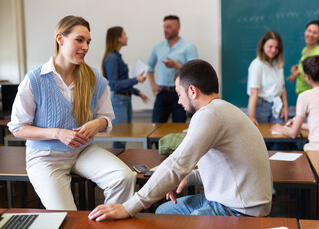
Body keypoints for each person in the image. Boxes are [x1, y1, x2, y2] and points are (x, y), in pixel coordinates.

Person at [88, 59, 273, 221]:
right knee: (164, 211)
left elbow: (176, 164)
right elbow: (226, 169)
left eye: (179, 94)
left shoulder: (209, 115)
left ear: (192, 91)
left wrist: (128, 207)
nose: (178, 101)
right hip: (231, 199)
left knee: (178, 222)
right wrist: (189, 177)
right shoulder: (221, 109)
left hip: (241, 210)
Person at [7, 15, 136, 210]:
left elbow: (107, 118)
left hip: (83, 152)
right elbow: (17, 128)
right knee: (66, 215)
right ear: (60, 39)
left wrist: (97, 124)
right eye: (79, 40)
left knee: (124, 177)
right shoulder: (35, 78)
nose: (86, 46)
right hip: (45, 157)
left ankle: (111, 219)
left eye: (88, 42)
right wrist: (57, 133)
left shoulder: (94, 79)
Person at [271, 55, 319, 151]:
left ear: (306, 77)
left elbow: (293, 134)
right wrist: (299, 124)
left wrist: (279, 128)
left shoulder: (305, 96)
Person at [102, 26, 149, 148]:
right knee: (120, 138)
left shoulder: (117, 56)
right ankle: (117, 164)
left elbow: (122, 82)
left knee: (125, 137)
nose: (126, 37)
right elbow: (115, 84)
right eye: (124, 34)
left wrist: (137, 92)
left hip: (125, 100)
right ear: (118, 38)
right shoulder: (112, 58)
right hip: (119, 101)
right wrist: (136, 79)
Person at [147, 15, 198, 123]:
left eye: (169, 27)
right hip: (162, 92)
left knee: (178, 129)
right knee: (156, 127)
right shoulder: (158, 47)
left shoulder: (188, 47)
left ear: (178, 28)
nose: (165, 30)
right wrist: (153, 84)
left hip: (181, 93)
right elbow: (149, 67)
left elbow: (194, 71)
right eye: (164, 27)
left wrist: (175, 65)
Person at [247, 31, 288, 125]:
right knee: (261, 137)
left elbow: (282, 88)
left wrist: (285, 107)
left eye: (277, 47)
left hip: (276, 105)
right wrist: (251, 117)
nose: (273, 50)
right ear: (262, 46)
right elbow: (254, 92)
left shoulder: (278, 64)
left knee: (280, 135)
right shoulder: (257, 64)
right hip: (260, 106)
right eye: (270, 46)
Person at [287, 20, 319, 95]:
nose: (310, 35)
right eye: (309, 31)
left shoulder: (318, 54)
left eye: (315, 32)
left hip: (312, 94)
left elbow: (316, 78)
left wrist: (298, 73)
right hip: (304, 93)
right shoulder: (305, 49)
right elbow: (306, 68)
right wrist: (297, 69)